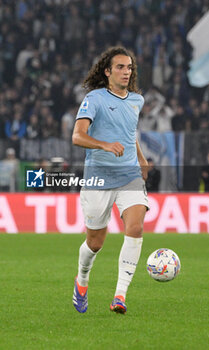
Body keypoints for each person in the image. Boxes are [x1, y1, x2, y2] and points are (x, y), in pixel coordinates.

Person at [72, 47, 149, 314]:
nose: (126, 72)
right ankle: (82, 280)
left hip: (129, 176)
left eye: (129, 67)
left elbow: (129, 132)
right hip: (99, 178)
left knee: (136, 227)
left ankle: (120, 295)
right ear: (107, 71)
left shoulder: (136, 100)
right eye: (120, 67)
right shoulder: (94, 99)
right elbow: (77, 136)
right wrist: (104, 145)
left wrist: (140, 157)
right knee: (95, 243)